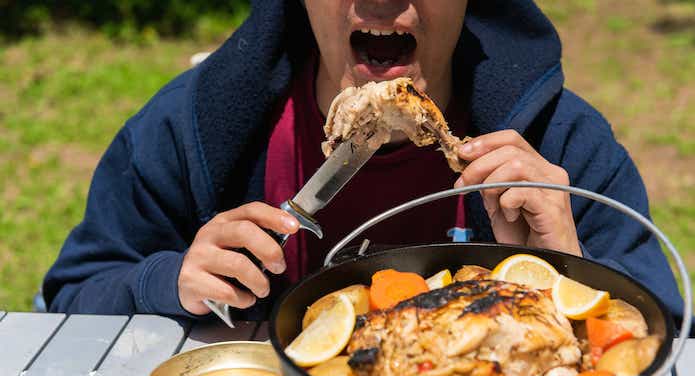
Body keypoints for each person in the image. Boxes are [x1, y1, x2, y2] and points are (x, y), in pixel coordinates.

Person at [43, 0, 682, 320]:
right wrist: (167, 280)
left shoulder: (557, 143)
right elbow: (72, 294)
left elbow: (666, 330)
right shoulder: (197, 127)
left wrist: (572, 268)